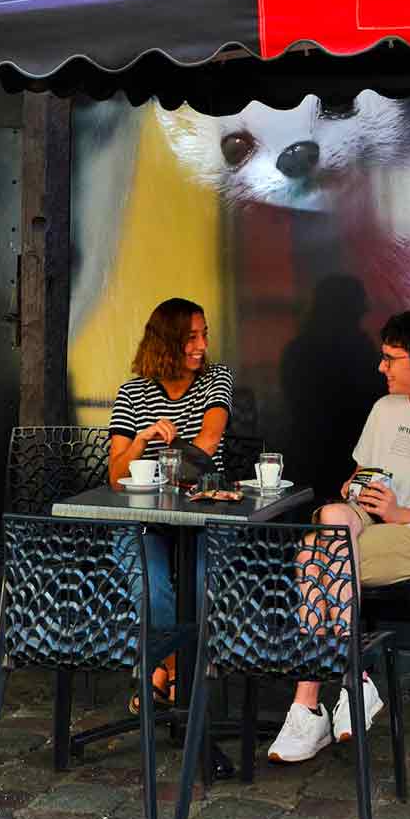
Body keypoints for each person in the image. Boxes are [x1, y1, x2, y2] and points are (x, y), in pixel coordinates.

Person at [268, 307, 410, 763]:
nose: (381, 367)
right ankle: (356, 680)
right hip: (368, 520)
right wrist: (357, 489)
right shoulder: (385, 409)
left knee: (317, 558)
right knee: (332, 514)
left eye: (391, 358)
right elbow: (357, 477)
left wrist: (399, 512)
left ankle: (308, 704)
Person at [109, 297, 232, 706]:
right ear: (166, 344)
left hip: (207, 516)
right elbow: (115, 475)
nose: (201, 345)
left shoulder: (216, 380)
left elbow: (209, 444)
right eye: (190, 338)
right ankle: (177, 672)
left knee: (200, 581)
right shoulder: (133, 393)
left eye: (204, 335)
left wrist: (170, 451)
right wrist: (142, 439)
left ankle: (162, 672)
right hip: (150, 520)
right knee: (149, 580)